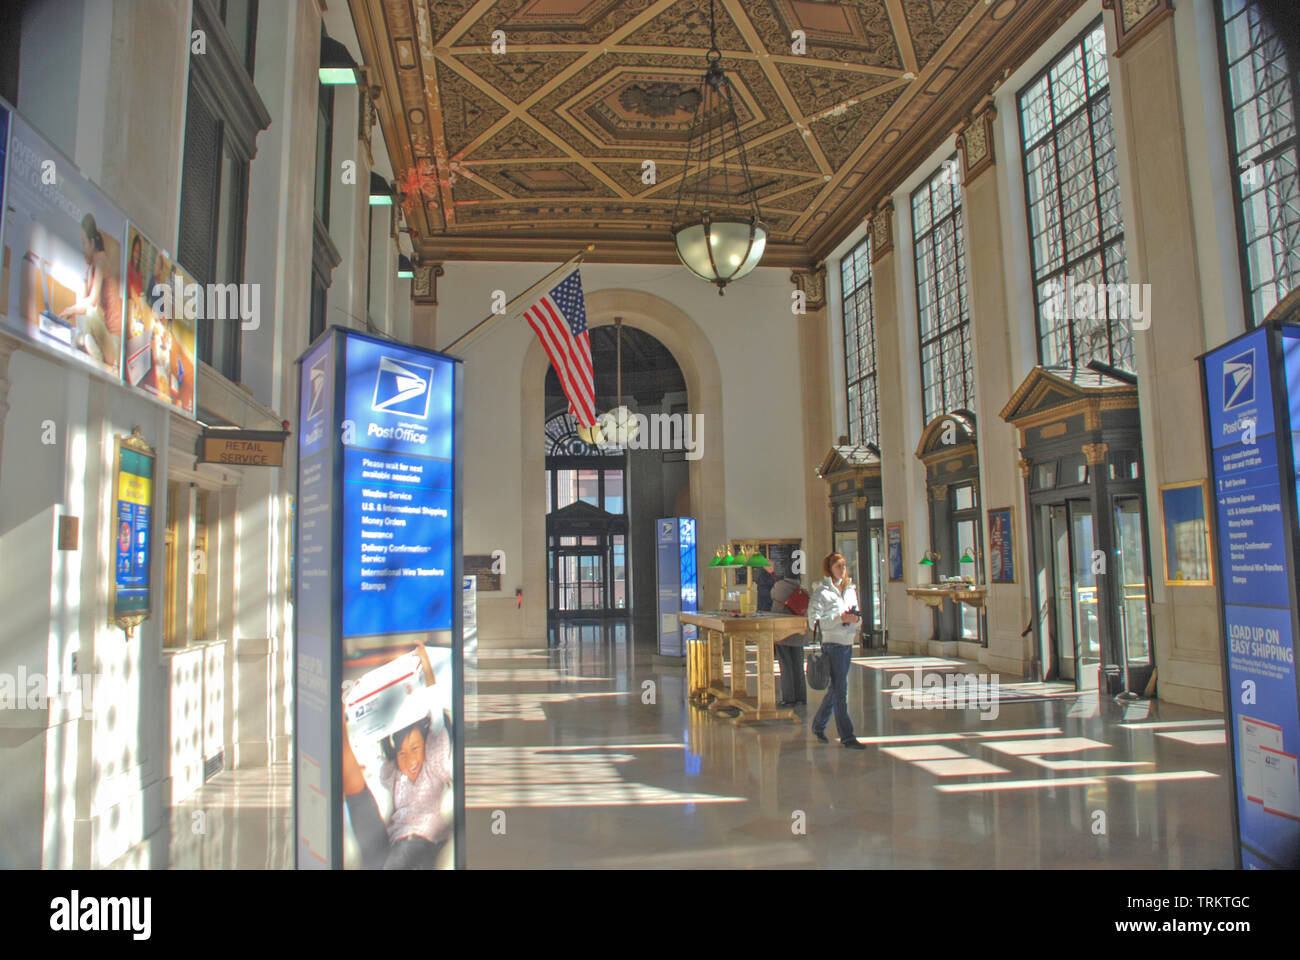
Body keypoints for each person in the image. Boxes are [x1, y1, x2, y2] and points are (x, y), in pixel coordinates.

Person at [342, 645, 453, 869]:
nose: (410, 759)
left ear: (427, 746)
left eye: (415, 748)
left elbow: (437, 716)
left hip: (422, 842)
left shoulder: (434, 763)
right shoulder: (395, 774)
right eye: (402, 753)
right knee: (372, 843)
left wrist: (427, 668)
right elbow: (374, 743)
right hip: (394, 842)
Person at [807, 552, 864, 748]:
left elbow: (857, 616)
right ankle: (847, 736)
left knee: (836, 689)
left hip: (848, 643)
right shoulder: (822, 592)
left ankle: (818, 725)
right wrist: (840, 618)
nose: (842, 569)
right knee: (841, 691)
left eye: (844, 565)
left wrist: (855, 620)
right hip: (833, 645)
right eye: (838, 566)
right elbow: (814, 623)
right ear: (829, 569)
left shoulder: (850, 590)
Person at [59, 214, 122, 371]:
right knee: (86, 333)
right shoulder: (91, 268)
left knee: (91, 312)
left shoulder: (101, 260)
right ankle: (86, 341)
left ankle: (89, 345)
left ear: (92, 243)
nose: (82, 249)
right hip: (101, 337)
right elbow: (83, 299)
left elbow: (92, 301)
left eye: (84, 243)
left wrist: (71, 310)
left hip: (112, 342)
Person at [771, 570, 806, 706]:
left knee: (785, 664)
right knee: (798, 665)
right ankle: (801, 697)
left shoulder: (779, 587)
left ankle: (789, 698)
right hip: (798, 632)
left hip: (783, 632)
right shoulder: (802, 589)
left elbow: (771, 595)